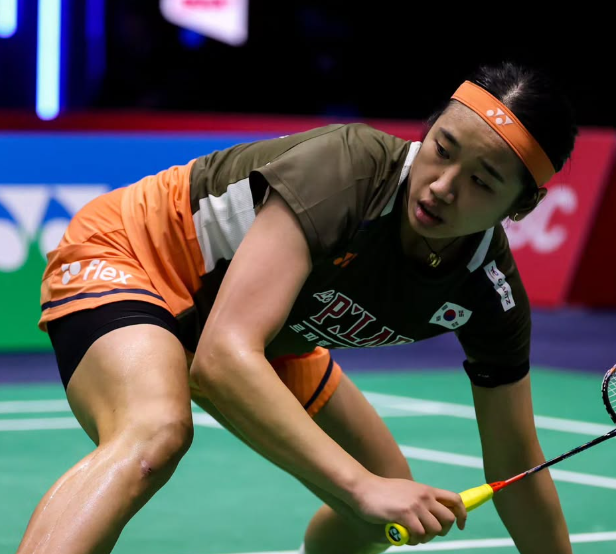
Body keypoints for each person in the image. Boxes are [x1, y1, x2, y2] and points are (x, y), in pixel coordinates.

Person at [19, 61, 577, 554]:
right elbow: (221, 359)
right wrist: (359, 487)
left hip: (264, 329)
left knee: (382, 504)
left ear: (521, 206)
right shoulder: (348, 170)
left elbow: (516, 466)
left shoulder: (488, 292)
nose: (442, 187)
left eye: (481, 181)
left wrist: (368, 490)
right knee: (154, 430)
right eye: (443, 150)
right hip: (137, 256)